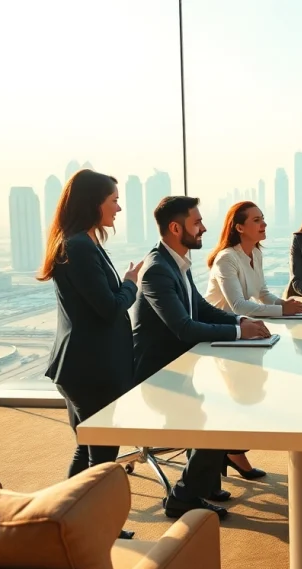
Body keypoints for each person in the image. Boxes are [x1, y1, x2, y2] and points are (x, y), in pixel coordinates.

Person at [132, 196, 272, 520]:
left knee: (225, 404)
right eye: (197, 222)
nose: (204, 228)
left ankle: (204, 483)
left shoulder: (177, 263)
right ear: (175, 227)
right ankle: (183, 497)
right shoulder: (156, 271)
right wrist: (240, 334)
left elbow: (203, 308)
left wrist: (240, 322)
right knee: (220, 417)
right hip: (156, 376)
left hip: (180, 366)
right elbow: (184, 327)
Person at [39, 169, 142, 540]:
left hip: (87, 365)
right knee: (101, 457)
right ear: (93, 203)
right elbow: (108, 307)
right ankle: (96, 527)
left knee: (88, 450)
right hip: (91, 369)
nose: (118, 206)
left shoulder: (81, 242)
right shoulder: (79, 246)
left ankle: (62, 521)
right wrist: (130, 285)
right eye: (113, 199)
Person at [205, 200, 302, 478]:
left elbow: (263, 294)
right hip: (220, 334)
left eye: (263, 219)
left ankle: (233, 452)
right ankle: (227, 453)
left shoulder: (256, 253)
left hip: (243, 334)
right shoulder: (226, 258)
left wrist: (288, 306)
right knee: (241, 396)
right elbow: (238, 305)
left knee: (249, 394)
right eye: (256, 221)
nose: (263, 225)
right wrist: (280, 310)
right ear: (239, 227)